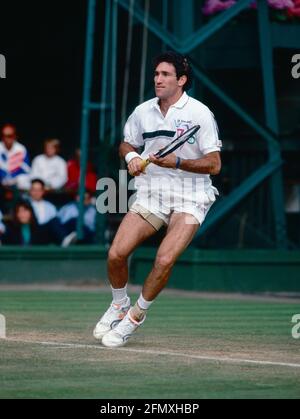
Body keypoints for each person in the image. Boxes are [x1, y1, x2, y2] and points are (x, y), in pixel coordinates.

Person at [93, 52, 222, 348]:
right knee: (116, 254)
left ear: (181, 80)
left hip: (191, 198)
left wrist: (176, 161)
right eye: (156, 74)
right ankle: (119, 304)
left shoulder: (200, 113)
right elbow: (126, 142)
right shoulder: (143, 111)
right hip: (152, 194)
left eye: (165, 74)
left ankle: (135, 317)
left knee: (164, 259)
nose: (158, 79)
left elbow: (214, 164)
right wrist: (132, 156)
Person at [28, 179, 65, 245]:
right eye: (34, 190)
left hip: (47, 234)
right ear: (30, 191)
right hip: (32, 232)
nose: (36, 193)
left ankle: (64, 241)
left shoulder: (50, 207)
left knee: (55, 221)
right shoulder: (26, 205)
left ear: (43, 191)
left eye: (39, 190)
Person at [0, 123, 31, 191]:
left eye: (10, 136)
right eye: (4, 135)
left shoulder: (21, 149)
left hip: (16, 180)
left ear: (14, 136)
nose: (7, 138)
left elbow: (26, 169)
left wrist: (13, 176)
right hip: (1, 179)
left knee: (24, 180)